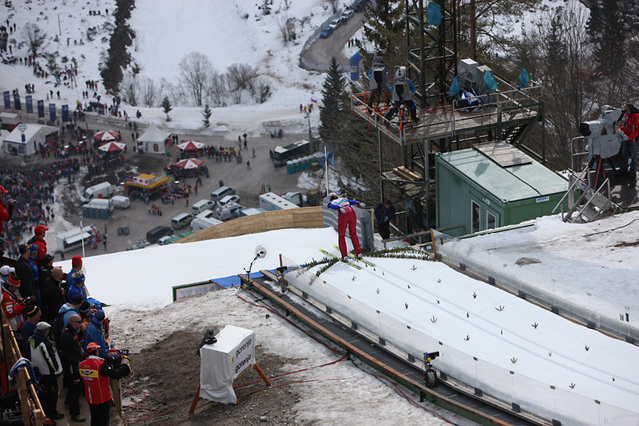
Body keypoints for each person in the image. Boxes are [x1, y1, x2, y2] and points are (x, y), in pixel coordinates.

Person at [79, 342, 130, 426]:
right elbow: (116, 374)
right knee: (103, 420)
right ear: (97, 351)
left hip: (90, 397)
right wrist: (124, 364)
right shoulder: (101, 365)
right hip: (102, 398)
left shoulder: (81, 365)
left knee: (94, 418)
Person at [28, 321, 65, 423]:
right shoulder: (45, 343)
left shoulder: (32, 340)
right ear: (45, 331)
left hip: (40, 371)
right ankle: (53, 413)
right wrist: (56, 368)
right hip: (50, 373)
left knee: (46, 393)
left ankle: (47, 411)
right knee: (53, 394)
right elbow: (50, 357)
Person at [57, 313, 86, 422]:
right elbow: (66, 354)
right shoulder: (66, 335)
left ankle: (68, 401)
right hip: (72, 366)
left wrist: (82, 333)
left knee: (74, 386)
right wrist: (77, 363)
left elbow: (75, 344)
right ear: (73, 323)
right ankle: (75, 413)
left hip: (74, 363)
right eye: (79, 322)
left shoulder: (71, 333)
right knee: (75, 387)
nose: (81, 324)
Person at [327, 193, 364, 261]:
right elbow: (351, 202)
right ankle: (358, 252)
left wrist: (338, 208)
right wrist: (358, 203)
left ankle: (344, 255)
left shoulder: (332, 202)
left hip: (343, 213)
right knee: (353, 233)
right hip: (352, 213)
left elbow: (330, 205)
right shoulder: (343, 199)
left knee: (341, 235)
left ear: (330, 199)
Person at [1, 274, 27, 342]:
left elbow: (12, 301)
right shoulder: (5, 296)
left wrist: (18, 300)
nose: (17, 289)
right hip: (13, 329)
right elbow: (9, 313)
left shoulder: (8, 293)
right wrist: (22, 306)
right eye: (17, 287)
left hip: (16, 326)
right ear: (12, 286)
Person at [619, 103, 639, 180]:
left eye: (626, 109)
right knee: (624, 154)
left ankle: (633, 171)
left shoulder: (636, 116)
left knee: (633, 155)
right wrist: (620, 129)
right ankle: (624, 169)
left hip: (633, 140)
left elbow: (638, 130)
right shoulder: (627, 116)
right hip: (626, 138)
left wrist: (630, 137)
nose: (625, 110)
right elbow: (626, 126)